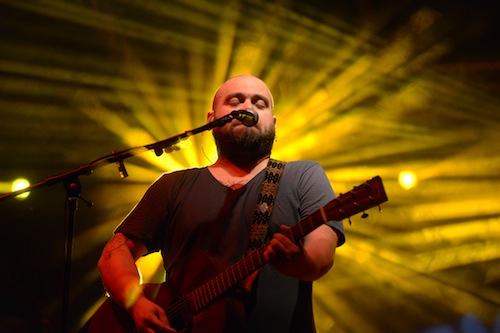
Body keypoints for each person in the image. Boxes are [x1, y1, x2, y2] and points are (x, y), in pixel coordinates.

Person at [97, 74, 345, 333]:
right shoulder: (173, 186)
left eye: (259, 104)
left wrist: (301, 263)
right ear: (211, 120)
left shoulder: (303, 176)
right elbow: (114, 253)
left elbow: (321, 251)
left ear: (273, 123)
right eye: (235, 101)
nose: (247, 107)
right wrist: (136, 304)